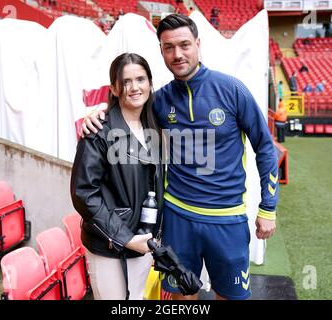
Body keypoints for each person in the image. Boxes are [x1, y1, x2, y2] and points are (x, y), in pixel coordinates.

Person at [81, 14, 278, 301]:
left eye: (184, 44)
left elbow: (265, 147)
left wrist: (268, 208)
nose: (177, 54)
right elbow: (127, 106)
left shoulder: (232, 90)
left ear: (198, 44)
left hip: (227, 219)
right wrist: (97, 114)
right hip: (176, 218)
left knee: (231, 297)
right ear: (161, 51)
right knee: (181, 298)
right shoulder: (158, 100)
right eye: (168, 47)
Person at [70, 53, 164, 300]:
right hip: (110, 247)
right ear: (113, 88)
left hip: (144, 242)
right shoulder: (98, 130)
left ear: (150, 83)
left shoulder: (153, 125)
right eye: (125, 81)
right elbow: (83, 194)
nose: (134, 87)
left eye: (141, 79)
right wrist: (125, 238)